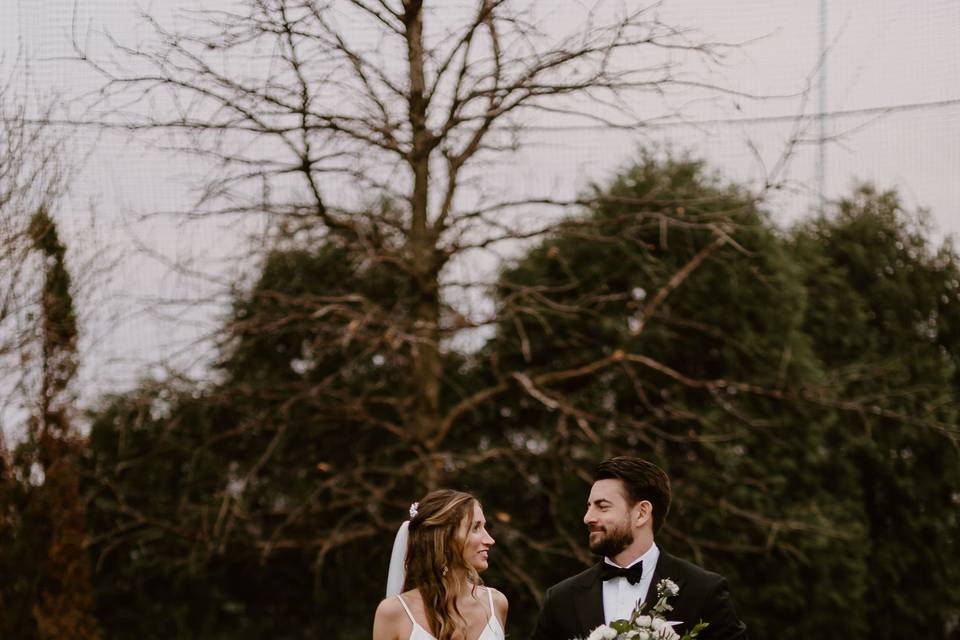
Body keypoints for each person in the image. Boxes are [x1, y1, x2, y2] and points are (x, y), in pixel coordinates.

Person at [532, 456, 747, 639]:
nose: (588, 518)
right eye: (589, 507)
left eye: (602, 507)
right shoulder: (560, 600)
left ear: (642, 513)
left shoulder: (703, 591)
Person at [374, 489, 508, 640]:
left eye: (484, 527)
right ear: (445, 538)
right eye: (475, 528)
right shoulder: (394, 612)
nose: (490, 540)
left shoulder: (496, 603)